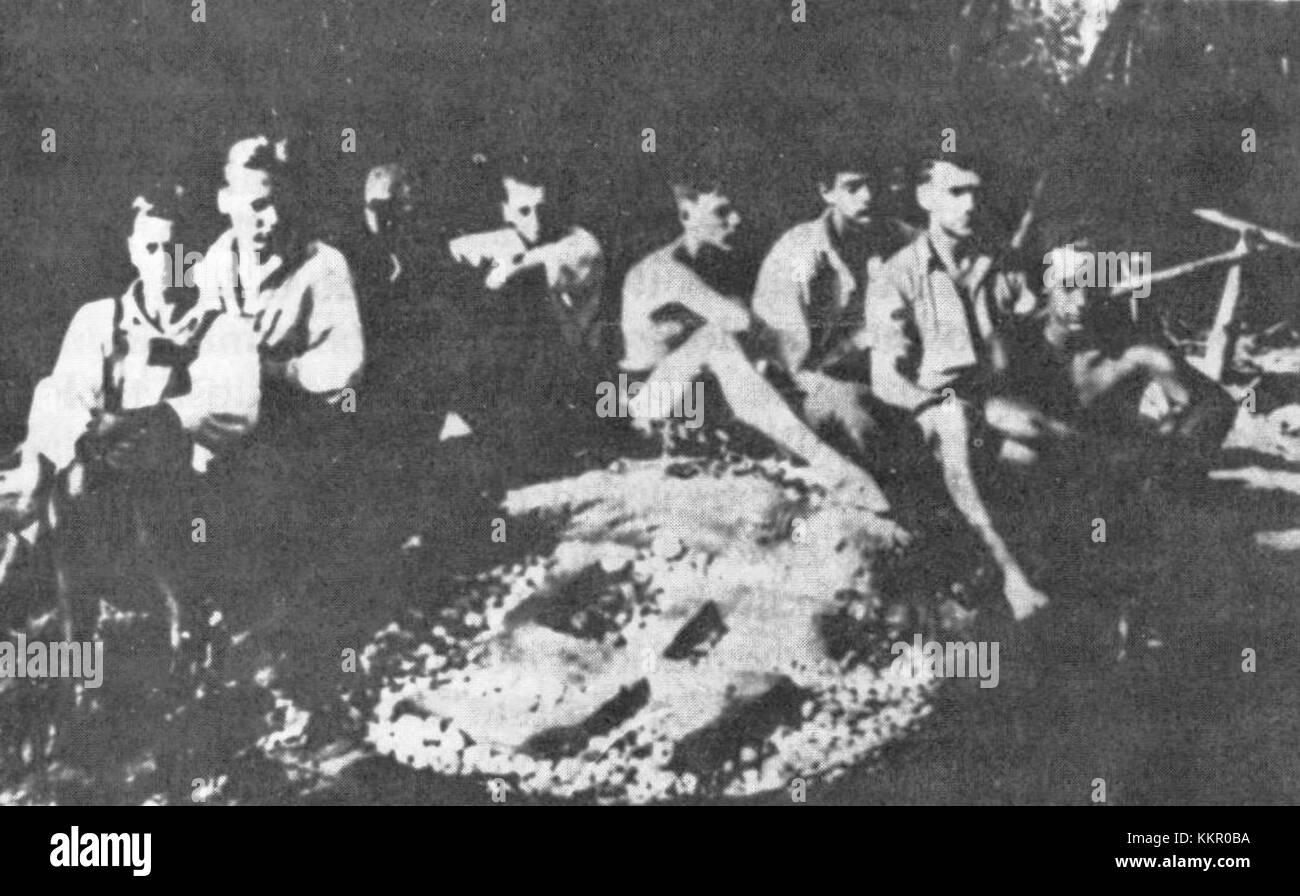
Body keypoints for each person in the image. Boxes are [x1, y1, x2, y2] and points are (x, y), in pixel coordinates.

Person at [0, 180, 261, 647]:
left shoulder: (221, 328)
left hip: (191, 499)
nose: (164, 260)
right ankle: (77, 640)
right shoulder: (99, 319)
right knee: (71, 482)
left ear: (194, 255)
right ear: (132, 251)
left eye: (176, 248)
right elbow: (59, 395)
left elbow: (236, 407)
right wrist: (87, 431)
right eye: (152, 247)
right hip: (103, 493)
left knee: (146, 470)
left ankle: (188, 625)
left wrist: (155, 420)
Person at [619, 177, 891, 508]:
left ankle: (821, 464)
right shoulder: (662, 271)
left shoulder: (715, 263)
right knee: (718, 338)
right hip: (639, 404)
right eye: (722, 212)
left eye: (736, 210)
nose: (736, 220)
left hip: (700, 404)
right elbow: (741, 322)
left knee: (772, 367)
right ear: (686, 214)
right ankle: (828, 464)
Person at [863, 155, 1055, 619]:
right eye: (956, 193)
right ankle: (1009, 572)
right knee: (955, 423)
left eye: (975, 193)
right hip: (932, 405)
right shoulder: (898, 275)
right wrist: (934, 402)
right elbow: (885, 377)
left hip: (993, 397)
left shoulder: (1001, 265)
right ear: (925, 198)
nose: (969, 204)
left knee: (1038, 447)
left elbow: (1036, 337)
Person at [446, 155, 607, 480]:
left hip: (573, 381)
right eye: (523, 211)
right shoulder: (508, 238)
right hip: (520, 379)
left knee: (517, 291)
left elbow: (533, 264)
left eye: (543, 210)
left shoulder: (582, 244)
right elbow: (458, 249)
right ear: (506, 212)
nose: (535, 221)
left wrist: (496, 268)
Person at [752, 156, 916, 455]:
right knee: (860, 422)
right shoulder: (796, 254)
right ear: (827, 192)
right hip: (810, 387)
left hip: (891, 376)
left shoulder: (906, 241)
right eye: (853, 187)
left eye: (875, 184)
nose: (868, 196)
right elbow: (783, 363)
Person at [1040, 238, 1237, 473]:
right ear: (1046, 288)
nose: (1082, 301)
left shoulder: (1130, 351)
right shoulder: (1019, 343)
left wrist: (1168, 455)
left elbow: (1217, 405)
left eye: (1092, 288)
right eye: (1069, 287)